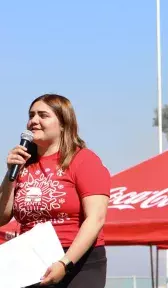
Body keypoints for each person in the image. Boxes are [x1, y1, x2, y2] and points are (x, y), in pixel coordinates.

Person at [0, 94, 110, 287]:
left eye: (43, 115)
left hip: (77, 261)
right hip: (30, 260)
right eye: (31, 115)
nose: (34, 121)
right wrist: (10, 174)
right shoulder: (23, 165)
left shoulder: (84, 160)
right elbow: (2, 217)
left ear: (63, 123)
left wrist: (64, 262)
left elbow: (96, 218)